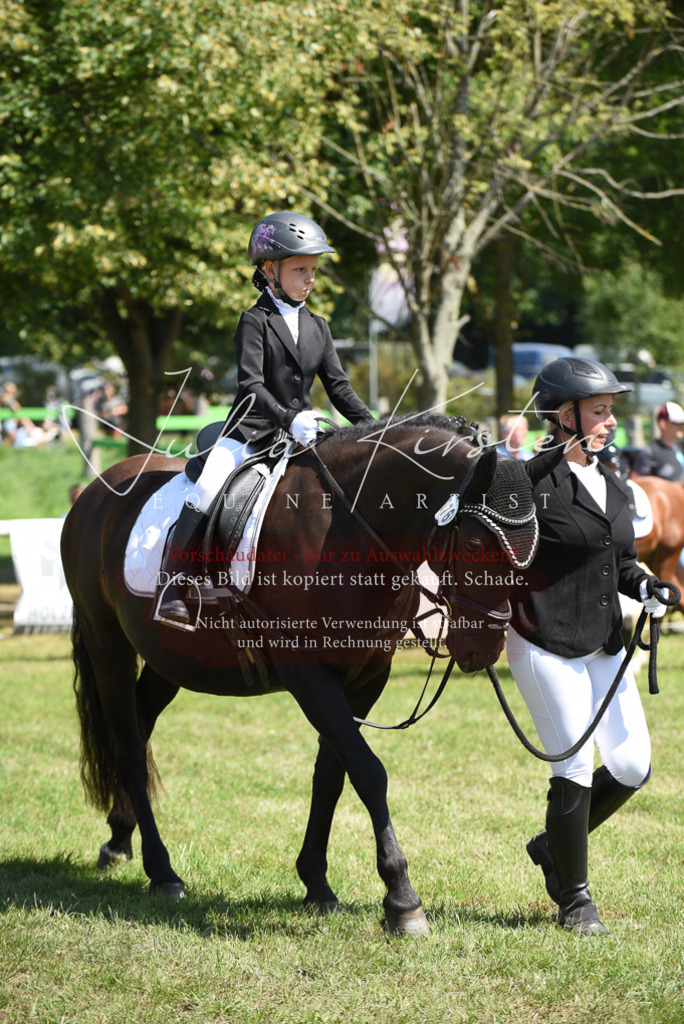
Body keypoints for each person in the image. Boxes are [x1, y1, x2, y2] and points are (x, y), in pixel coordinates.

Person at [506, 356, 666, 936]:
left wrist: (646, 584)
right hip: (542, 639)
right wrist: (556, 451)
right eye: (599, 412)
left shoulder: (614, 482)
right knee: (573, 765)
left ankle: (553, 845)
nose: (610, 423)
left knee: (631, 764)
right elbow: (498, 496)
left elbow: (621, 560)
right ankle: (575, 899)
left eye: (610, 412)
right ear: (564, 416)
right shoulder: (528, 481)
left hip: (602, 643)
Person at [156, 211, 374, 628]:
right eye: (300, 270)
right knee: (208, 487)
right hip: (251, 432)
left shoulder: (319, 326)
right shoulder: (255, 320)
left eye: (313, 270)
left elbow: (340, 390)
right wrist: (290, 418)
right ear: (270, 270)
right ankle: (176, 584)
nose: (310, 278)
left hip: (303, 437)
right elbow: (251, 384)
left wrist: (376, 429)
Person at [629, 401, 684, 482]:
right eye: (676, 423)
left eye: (682, 423)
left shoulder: (679, 449)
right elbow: (636, 483)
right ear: (663, 423)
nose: (681, 427)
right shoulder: (649, 452)